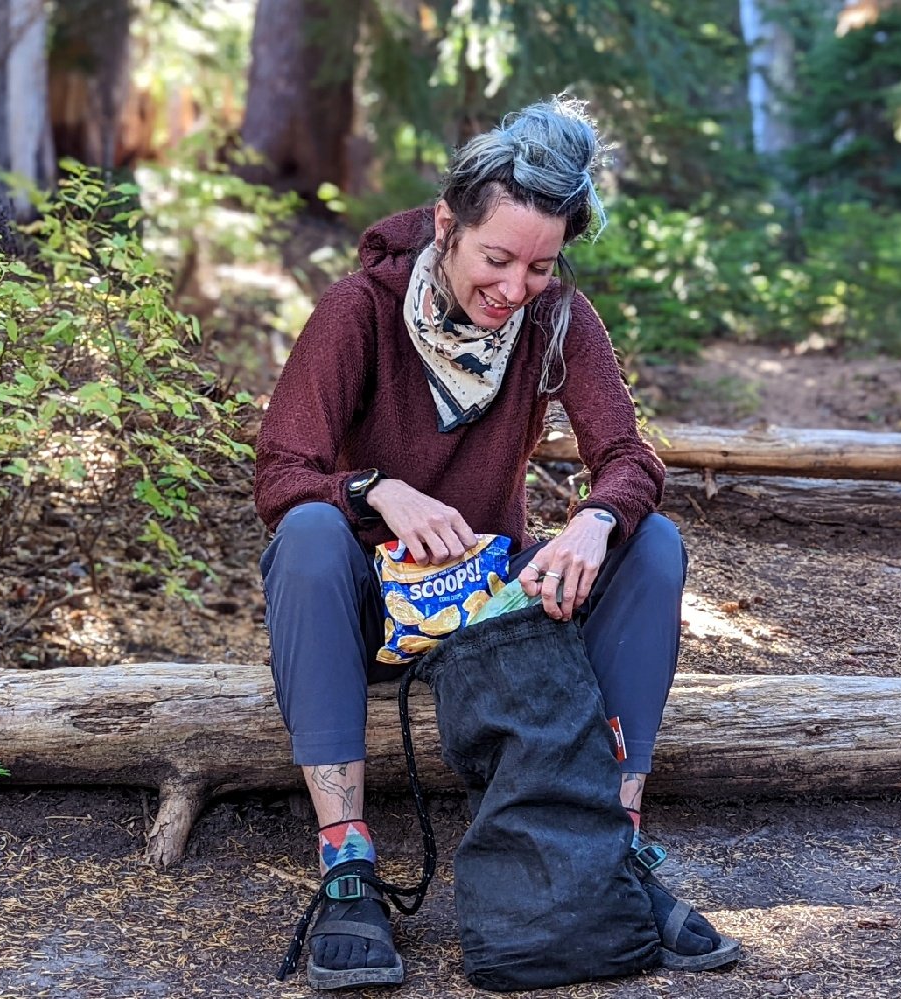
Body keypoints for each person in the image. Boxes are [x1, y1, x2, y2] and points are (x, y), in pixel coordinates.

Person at [254, 96, 740, 990]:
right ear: (446, 224)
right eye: (497, 258)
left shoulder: (558, 322)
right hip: (374, 601)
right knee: (313, 531)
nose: (515, 289)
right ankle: (347, 862)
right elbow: (281, 472)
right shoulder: (358, 312)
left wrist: (595, 520)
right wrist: (377, 489)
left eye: (541, 267)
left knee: (654, 543)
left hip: (493, 607)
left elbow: (630, 457)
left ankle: (614, 850)